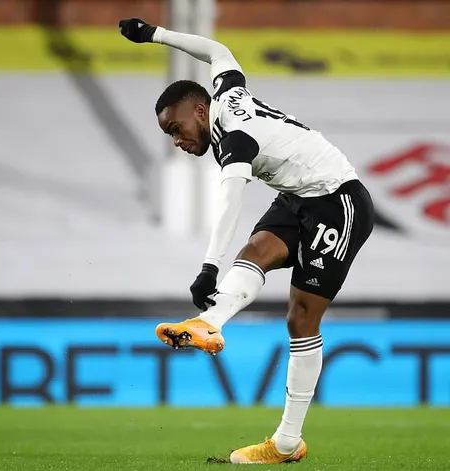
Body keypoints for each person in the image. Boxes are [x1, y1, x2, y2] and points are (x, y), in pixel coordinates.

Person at [118, 18, 375, 464]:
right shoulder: (225, 94)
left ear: (200, 112)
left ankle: (287, 443)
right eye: (168, 135)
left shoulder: (236, 139)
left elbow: (230, 202)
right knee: (255, 253)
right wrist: (154, 35)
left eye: (175, 128)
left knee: (301, 318)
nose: (176, 140)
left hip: (339, 201)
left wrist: (208, 268)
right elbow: (218, 51)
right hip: (297, 196)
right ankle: (210, 324)